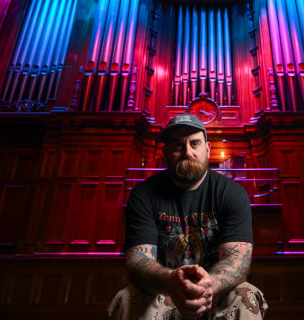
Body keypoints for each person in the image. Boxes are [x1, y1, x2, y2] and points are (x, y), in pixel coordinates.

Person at [107, 114, 267, 320]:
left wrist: (208, 286)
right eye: (177, 145)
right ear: (166, 151)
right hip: (163, 287)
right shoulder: (143, 195)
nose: (187, 152)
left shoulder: (232, 193)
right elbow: (138, 261)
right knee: (126, 297)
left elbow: (237, 260)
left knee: (246, 296)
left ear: (207, 149)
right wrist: (172, 281)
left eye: (195, 143)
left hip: (215, 290)